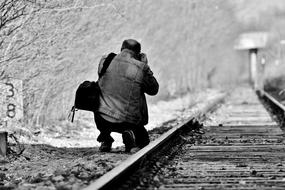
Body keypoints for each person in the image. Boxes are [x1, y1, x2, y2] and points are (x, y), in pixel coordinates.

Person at [95, 39, 159, 152]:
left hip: (102, 118)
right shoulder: (140, 67)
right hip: (128, 121)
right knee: (144, 142)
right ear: (138, 53)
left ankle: (105, 138)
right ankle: (129, 134)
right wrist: (144, 66)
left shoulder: (106, 61)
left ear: (121, 49)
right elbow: (153, 90)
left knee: (104, 93)